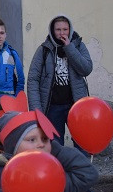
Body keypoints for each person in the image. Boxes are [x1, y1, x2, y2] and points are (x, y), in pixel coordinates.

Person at [27, 15, 93, 145]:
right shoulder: (44, 49)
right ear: (52, 31)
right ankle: (58, 166)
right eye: (58, 30)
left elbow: (86, 69)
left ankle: (81, 165)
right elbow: (33, 80)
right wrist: (37, 110)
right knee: (55, 145)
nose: (62, 33)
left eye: (65, 29)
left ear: (70, 30)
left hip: (76, 105)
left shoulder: (79, 46)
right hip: (53, 107)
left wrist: (69, 48)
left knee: (82, 141)